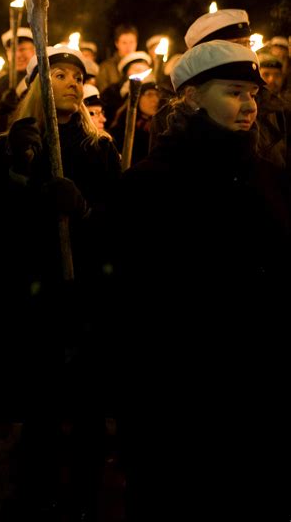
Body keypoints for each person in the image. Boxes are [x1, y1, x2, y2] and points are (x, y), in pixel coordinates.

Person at [109, 40, 291, 519]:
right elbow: (132, 297)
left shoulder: (269, 178)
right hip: (181, 394)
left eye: (253, 93)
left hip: (257, 387)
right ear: (191, 96)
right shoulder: (152, 183)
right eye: (234, 92)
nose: (249, 104)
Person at [0, 45, 121, 521]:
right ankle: (34, 490)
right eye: (57, 73)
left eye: (74, 75)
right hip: (35, 290)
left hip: (85, 290)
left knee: (86, 403)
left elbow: (118, 218)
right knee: (40, 402)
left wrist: (84, 210)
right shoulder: (13, 143)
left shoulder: (99, 147)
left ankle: (83, 495)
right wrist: (25, 182)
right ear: (36, 85)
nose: (68, 81)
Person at [149, 8, 290, 170]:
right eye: (236, 44)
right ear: (203, 52)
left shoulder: (273, 106)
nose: (246, 51)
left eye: (247, 43)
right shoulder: (168, 120)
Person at [0, 28, 35, 140]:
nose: (18, 55)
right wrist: (2, 112)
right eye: (13, 50)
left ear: (34, 50)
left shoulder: (45, 82)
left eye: (22, 49)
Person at [96, 23, 139, 93]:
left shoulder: (142, 66)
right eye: (124, 43)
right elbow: (104, 94)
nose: (128, 47)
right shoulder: (106, 67)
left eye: (131, 42)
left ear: (136, 43)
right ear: (117, 43)